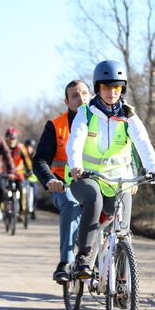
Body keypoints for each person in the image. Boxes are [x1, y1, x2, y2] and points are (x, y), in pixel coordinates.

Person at [66, 60, 155, 279]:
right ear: (98, 88)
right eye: (107, 87)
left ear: (122, 89)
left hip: (119, 179)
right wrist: (75, 165)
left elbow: (143, 143)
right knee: (94, 200)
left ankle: (121, 281)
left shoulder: (129, 115)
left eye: (117, 88)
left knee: (123, 230)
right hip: (86, 176)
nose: (112, 92)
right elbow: (75, 140)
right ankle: (83, 255)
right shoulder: (86, 113)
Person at [33, 79, 91, 283]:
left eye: (85, 93)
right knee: (71, 202)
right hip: (64, 184)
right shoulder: (55, 126)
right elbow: (40, 160)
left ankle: (118, 272)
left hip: (97, 184)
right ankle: (65, 262)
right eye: (75, 95)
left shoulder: (103, 123)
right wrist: (49, 179)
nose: (81, 98)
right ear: (67, 101)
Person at [4, 127, 33, 222]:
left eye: (14, 138)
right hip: (6, 173)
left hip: (18, 173)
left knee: (21, 189)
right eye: (10, 138)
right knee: (2, 189)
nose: (12, 140)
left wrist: (29, 170)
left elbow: (27, 160)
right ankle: (4, 208)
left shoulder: (21, 147)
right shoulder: (3, 147)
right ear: (6, 138)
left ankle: (21, 212)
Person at [23, 139, 39, 219]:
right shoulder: (23, 156)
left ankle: (33, 210)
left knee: (35, 196)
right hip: (24, 179)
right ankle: (21, 210)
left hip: (33, 180)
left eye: (30, 147)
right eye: (27, 147)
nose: (29, 149)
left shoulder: (36, 156)